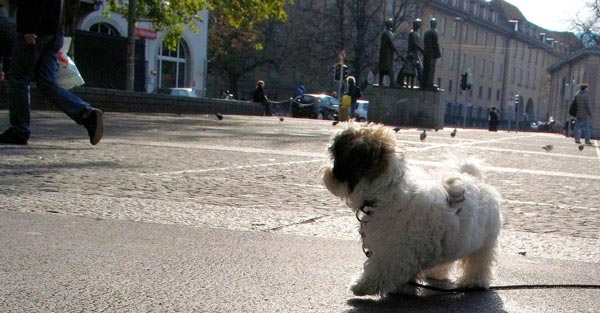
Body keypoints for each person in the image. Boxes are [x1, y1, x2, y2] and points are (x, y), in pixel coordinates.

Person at [0, 0, 103, 146]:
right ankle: (86, 114)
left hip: (35, 31)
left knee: (18, 78)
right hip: (54, 32)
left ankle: (19, 130)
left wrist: (30, 28)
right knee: (46, 83)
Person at [378, 18, 401, 86]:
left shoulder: (383, 33)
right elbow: (391, 44)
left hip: (382, 52)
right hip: (387, 53)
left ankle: (380, 81)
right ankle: (392, 82)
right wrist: (397, 53)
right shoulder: (389, 33)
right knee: (389, 67)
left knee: (382, 67)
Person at [404, 19, 424, 88]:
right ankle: (422, 83)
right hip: (412, 54)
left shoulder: (415, 33)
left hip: (415, 54)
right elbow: (415, 43)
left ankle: (421, 83)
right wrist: (422, 50)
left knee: (414, 70)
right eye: (419, 24)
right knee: (412, 70)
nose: (420, 26)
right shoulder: (413, 33)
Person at [422, 18, 441, 90]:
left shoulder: (426, 32)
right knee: (431, 69)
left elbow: (424, 41)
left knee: (425, 68)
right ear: (435, 25)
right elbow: (435, 44)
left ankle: (424, 82)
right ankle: (429, 84)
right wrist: (438, 53)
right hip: (432, 53)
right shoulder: (434, 32)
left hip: (426, 51)